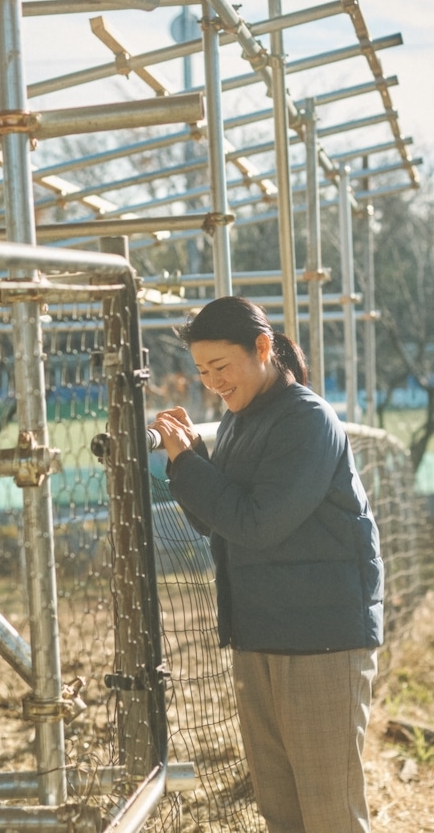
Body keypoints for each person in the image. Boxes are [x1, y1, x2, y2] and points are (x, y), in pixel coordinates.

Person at [150, 295, 383, 833]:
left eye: (221, 366)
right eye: (202, 371)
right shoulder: (240, 421)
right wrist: (192, 459)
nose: (213, 382)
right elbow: (220, 521)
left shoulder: (306, 419)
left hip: (322, 640)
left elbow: (259, 523)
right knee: (280, 810)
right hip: (262, 634)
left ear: (261, 348)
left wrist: (189, 464)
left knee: (329, 813)